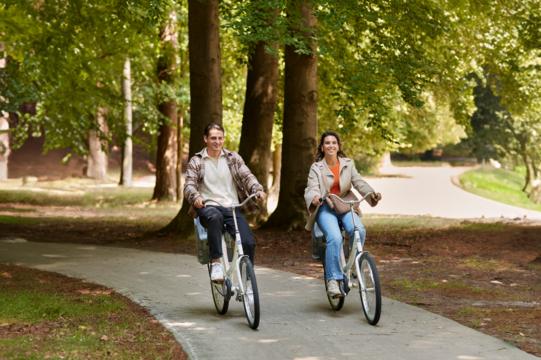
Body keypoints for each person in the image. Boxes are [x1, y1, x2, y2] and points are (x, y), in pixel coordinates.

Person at [184, 123, 267, 281]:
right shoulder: (196, 161)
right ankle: (216, 263)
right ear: (206, 139)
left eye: (220, 138)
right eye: (213, 138)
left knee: (249, 241)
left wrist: (257, 188)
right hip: (208, 207)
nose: (217, 141)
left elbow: (246, 176)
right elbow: (189, 185)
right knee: (215, 218)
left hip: (232, 208)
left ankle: (247, 277)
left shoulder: (233, 158)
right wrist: (196, 198)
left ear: (223, 139)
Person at [304, 131, 382, 296]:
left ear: (338, 146)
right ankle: (333, 280)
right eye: (327, 143)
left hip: (345, 204)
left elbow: (359, 183)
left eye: (334, 142)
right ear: (322, 147)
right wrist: (315, 198)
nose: (331, 145)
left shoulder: (348, 164)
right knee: (335, 238)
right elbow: (311, 187)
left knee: (359, 230)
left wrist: (372, 194)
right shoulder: (316, 167)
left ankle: (353, 267)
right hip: (325, 206)